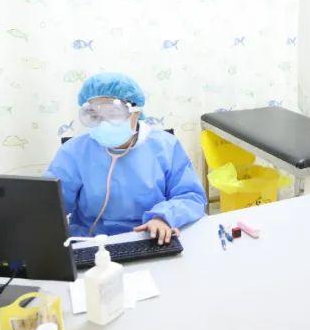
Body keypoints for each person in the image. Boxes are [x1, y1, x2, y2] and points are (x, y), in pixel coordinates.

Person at [45, 71, 207, 242]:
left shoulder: (165, 146)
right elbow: (50, 205)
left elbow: (190, 196)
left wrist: (163, 218)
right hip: (91, 241)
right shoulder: (74, 151)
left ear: (135, 112)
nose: (104, 123)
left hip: (151, 237)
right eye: (94, 116)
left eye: (113, 114)